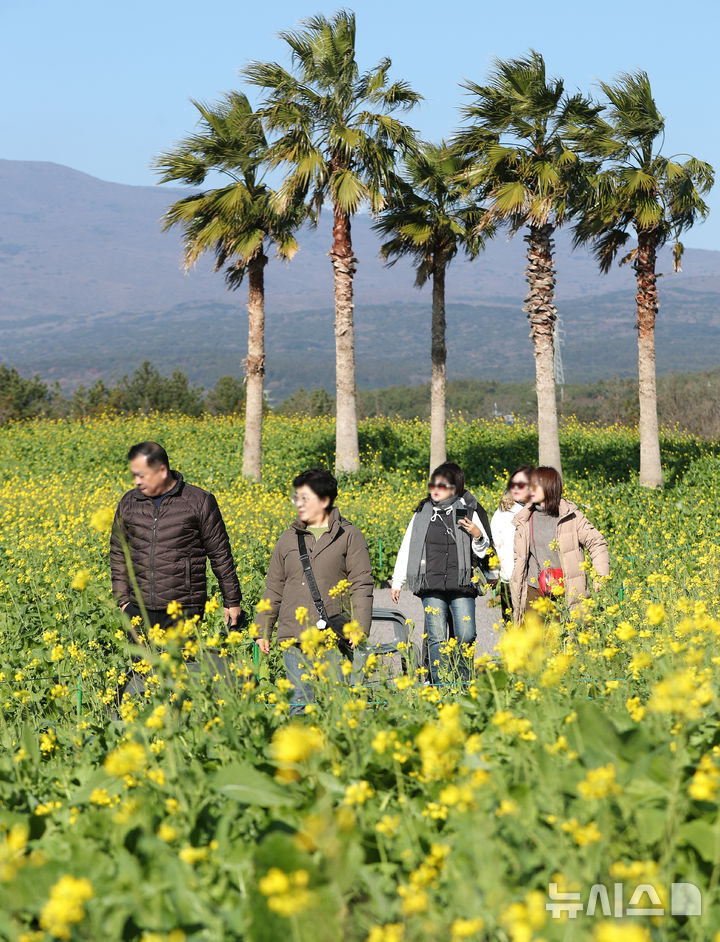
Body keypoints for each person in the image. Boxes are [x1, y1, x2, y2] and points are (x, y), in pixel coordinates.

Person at [255, 468, 374, 714]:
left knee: (335, 704)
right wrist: (262, 629)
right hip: (295, 636)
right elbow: (274, 586)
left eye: (305, 498)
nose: (299, 504)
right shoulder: (287, 538)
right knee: (299, 703)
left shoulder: (349, 535)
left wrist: (359, 627)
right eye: (297, 497)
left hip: (332, 634)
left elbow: (361, 584)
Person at [110, 441, 243, 631]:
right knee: (142, 662)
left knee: (183, 661)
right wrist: (123, 601)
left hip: (184, 608)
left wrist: (232, 601)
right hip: (138, 609)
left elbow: (220, 554)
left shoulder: (198, 501)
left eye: (142, 475)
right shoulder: (129, 502)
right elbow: (118, 552)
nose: (137, 481)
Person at [391, 461, 491, 684]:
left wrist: (477, 535)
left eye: (442, 485)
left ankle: (463, 682)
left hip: (462, 583)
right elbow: (408, 546)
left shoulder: (468, 511)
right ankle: (440, 685)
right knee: (436, 638)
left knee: (466, 635)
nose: (435, 489)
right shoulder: (422, 514)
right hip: (431, 584)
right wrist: (398, 580)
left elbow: (482, 552)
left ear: (455, 488)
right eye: (432, 484)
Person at [510, 466, 609, 622]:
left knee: (564, 641)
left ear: (550, 487)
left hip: (566, 591)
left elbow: (597, 542)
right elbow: (519, 557)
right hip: (533, 591)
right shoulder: (524, 518)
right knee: (534, 643)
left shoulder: (570, 516)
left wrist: (601, 575)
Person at [491, 466, 534, 624]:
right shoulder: (502, 514)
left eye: (522, 484)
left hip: (536, 583)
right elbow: (495, 547)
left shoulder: (540, 512)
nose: (516, 488)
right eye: (513, 484)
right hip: (510, 582)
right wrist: (496, 576)